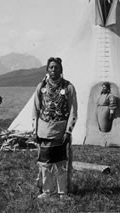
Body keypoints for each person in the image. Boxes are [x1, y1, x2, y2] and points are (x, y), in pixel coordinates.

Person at [32, 57, 78, 200]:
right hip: (44, 131)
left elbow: (73, 111)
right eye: (51, 67)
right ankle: (47, 191)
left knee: (61, 163)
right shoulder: (41, 87)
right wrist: (35, 130)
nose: (54, 70)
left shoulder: (68, 87)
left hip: (60, 131)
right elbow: (35, 109)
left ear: (61, 69)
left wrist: (68, 131)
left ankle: (62, 192)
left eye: (56, 67)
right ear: (47, 69)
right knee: (45, 164)